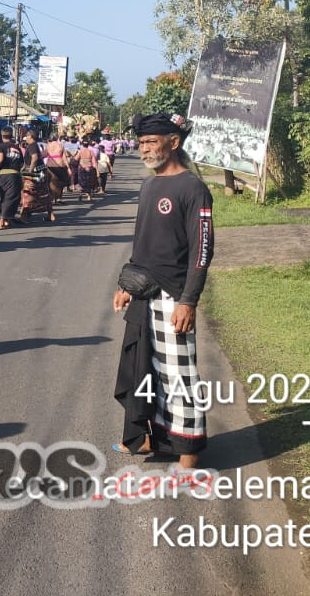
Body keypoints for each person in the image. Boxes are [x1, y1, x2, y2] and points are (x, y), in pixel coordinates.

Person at [112, 113, 214, 472]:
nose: (144, 149)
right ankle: (144, 436)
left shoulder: (193, 188)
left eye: (151, 142)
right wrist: (127, 284)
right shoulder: (149, 185)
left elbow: (202, 250)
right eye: (141, 143)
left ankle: (188, 453)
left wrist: (188, 300)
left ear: (174, 142)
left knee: (178, 374)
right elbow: (143, 243)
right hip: (144, 294)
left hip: (174, 295)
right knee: (142, 368)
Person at [0, 127, 25, 230]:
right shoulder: (17, 148)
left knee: (4, 197)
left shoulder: (0, 147)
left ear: (2, 135)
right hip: (14, 176)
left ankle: (6, 221)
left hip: (2, 176)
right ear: (11, 135)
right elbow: (22, 164)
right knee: (11, 198)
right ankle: (1, 222)